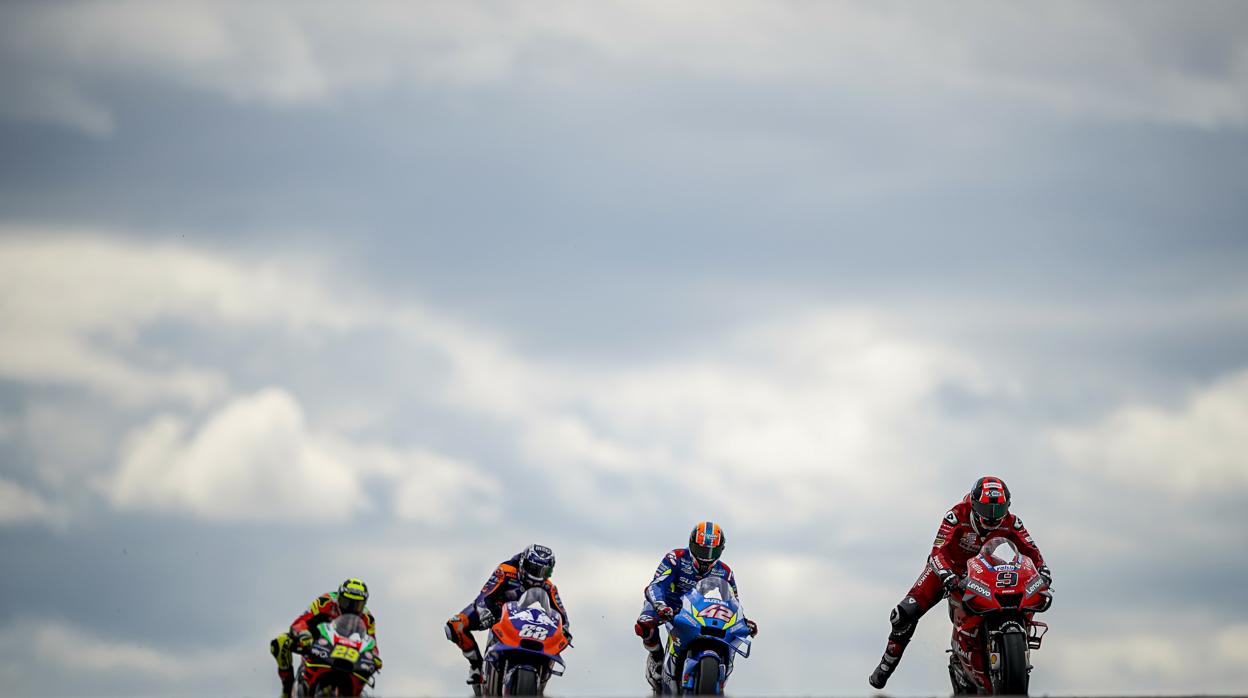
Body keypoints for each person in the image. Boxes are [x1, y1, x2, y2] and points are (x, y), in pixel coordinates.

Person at [868, 476, 1051, 689]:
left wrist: (1043, 571)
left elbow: (1033, 553)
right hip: (948, 570)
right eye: (985, 508)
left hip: (987, 573)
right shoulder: (956, 515)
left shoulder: (1012, 522)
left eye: (998, 511)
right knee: (903, 615)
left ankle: (1009, 649)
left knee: (1020, 598)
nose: (992, 517)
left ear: (1007, 507)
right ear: (973, 504)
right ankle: (885, 666)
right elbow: (937, 551)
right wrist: (947, 576)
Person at [635, 522, 758, 691]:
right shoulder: (675, 558)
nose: (706, 557)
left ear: (721, 550)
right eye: (701, 550)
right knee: (644, 625)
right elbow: (656, 585)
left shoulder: (725, 572)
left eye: (712, 551)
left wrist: (743, 622)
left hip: (698, 611)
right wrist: (659, 605)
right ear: (692, 544)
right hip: (667, 604)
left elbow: (733, 602)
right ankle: (656, 658)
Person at [444, 544, 571, 687]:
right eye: (534, 569)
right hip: (495, 611)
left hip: (525, 623)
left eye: (544, 572)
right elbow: (484, 596)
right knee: (454, 626)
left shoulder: (549, 587)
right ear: (523, 563)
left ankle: (540, 678)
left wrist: (564, 629)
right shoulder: (505, 571)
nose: (537, 576)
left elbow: (562, 615)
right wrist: (486, 611)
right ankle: (476, 666)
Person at [269, 578, 380, 697]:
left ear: (364, 603)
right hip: (318, 645)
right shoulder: (325, 602)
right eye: (346, 602)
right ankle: (287, 687)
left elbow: (372, 645)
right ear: (339, 597)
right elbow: (300, 622)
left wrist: (375, 658)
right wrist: (303, 635)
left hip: (348, 655)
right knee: (281, 642)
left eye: (357, 604)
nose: (350, 608)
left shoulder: (368, 618)